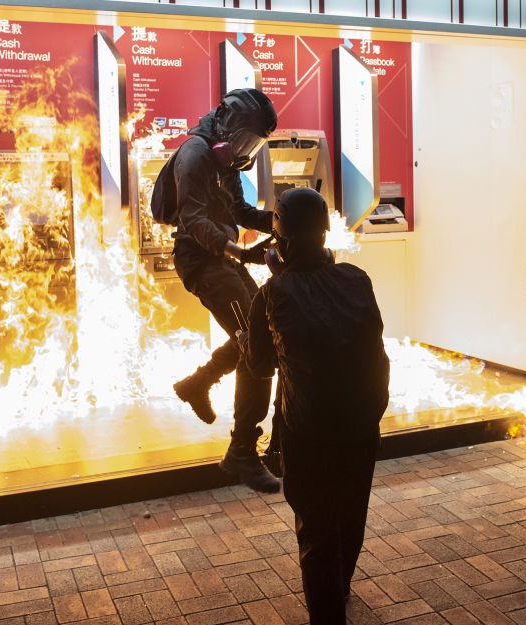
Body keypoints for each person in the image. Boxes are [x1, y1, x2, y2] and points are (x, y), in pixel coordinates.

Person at [240, 188, 390, 624]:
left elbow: (263, 367)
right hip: (361, 426)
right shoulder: (357, 279)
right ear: (325, 234)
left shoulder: (272, 295)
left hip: (308, 433)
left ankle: (327, 612)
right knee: (350, 515)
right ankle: (339, 588)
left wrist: (248, 340)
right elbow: (374, 344)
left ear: (281, 242)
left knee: (316, 532)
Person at [169, 88, 281, 493]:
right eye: (245, 139)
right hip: (200, 260)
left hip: (224, 259)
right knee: (256, 342)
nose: (245, 149)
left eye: (254, 144)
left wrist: (285, 220)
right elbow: (194, 219)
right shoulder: (196, 154)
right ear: (228, 126)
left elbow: (239, 212)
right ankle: (243, 451)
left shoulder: (226, 159)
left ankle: (198, 383)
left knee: (264, 331)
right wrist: (241, 250)